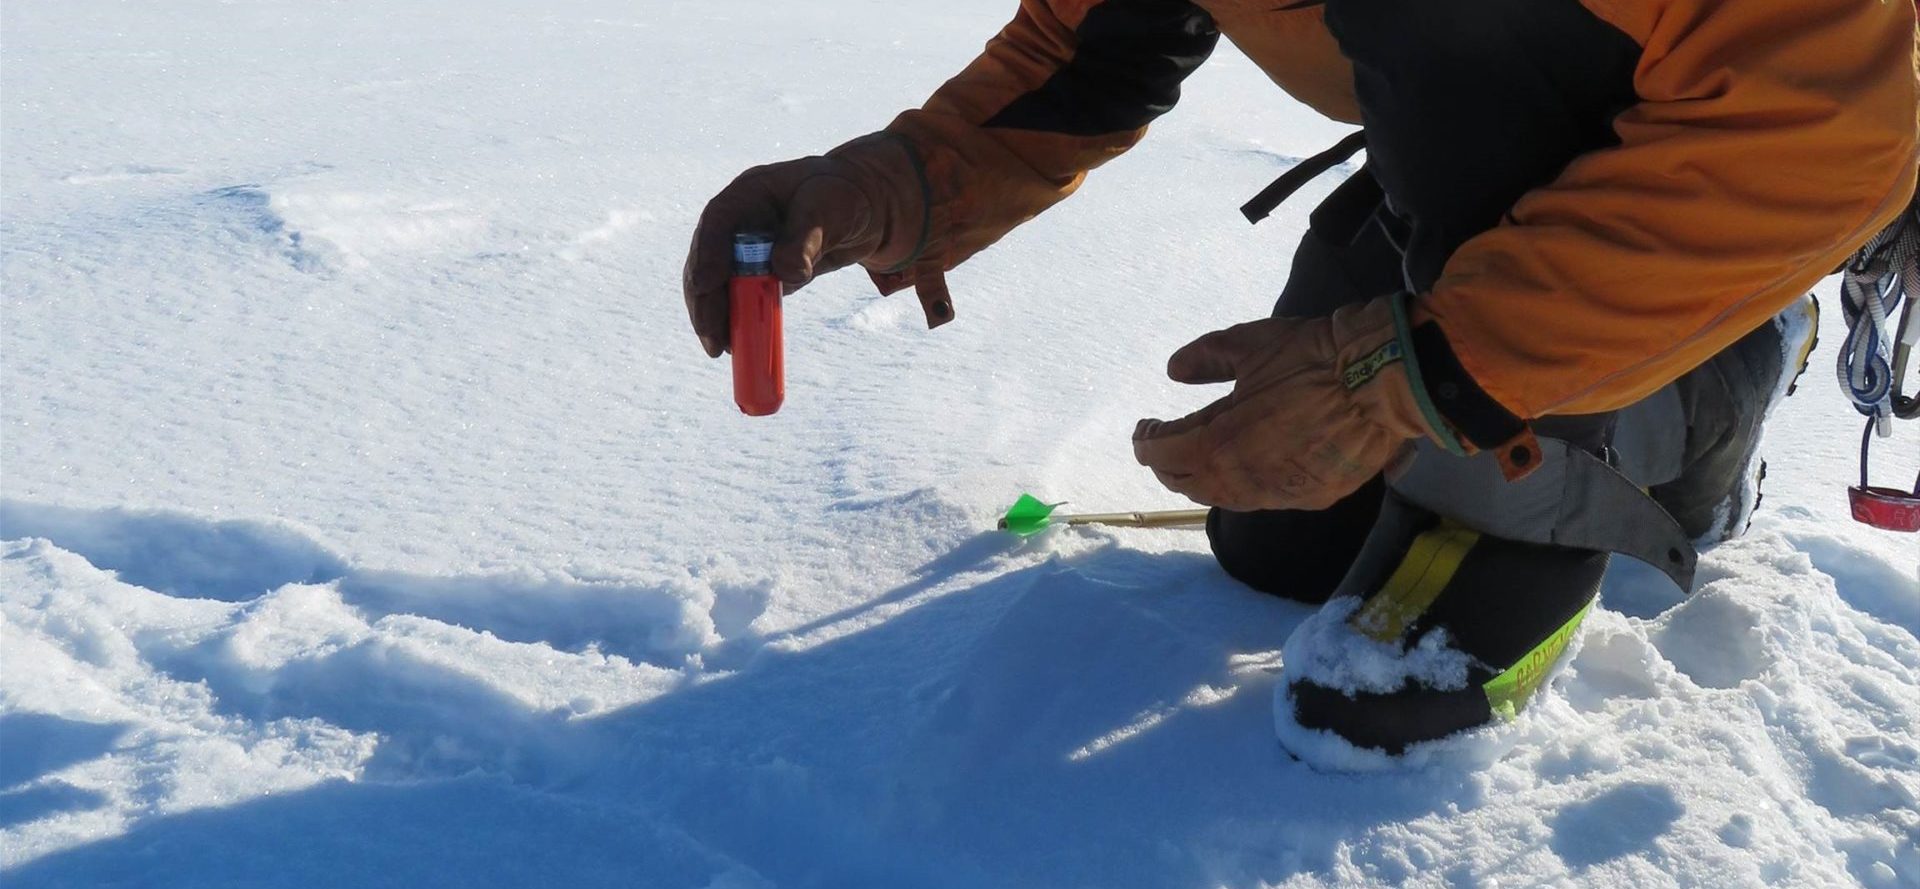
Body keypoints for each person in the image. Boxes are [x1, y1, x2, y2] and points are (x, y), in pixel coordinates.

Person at [684, 0, 1919, 755]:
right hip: (1466, 174)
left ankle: (1731, 360)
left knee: (1369, 703)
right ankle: (1490, 316)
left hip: (1743, 171)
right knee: (1279, 547)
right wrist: (899, 184)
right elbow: (1091, 40)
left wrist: (1392, 377)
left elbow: (1837, 115)